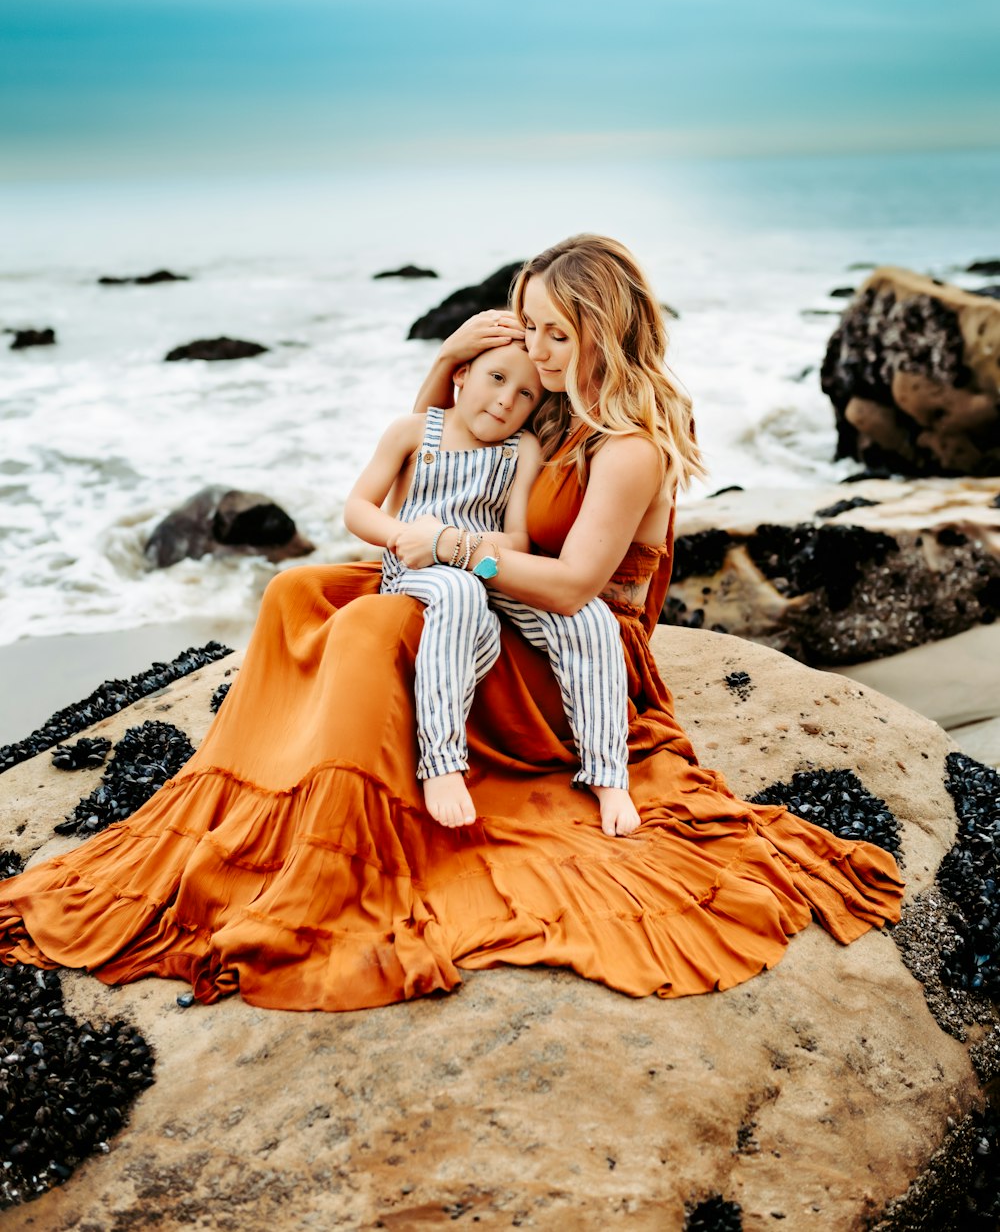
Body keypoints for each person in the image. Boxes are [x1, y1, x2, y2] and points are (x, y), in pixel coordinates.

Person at [0, 235, 904, 1013]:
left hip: (571, 640)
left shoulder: (629, 446)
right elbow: (448, 442)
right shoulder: (557, 406)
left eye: (557, 332)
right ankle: (262, 796)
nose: (539, 351)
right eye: (531, 328)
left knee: (368, 631)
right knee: (297, 594)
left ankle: (340, 844)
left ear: (603, 331)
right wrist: (444, 371)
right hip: (500, 595)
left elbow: (572, 586)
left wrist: (450, 550)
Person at [343, 343, 638, 833]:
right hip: (418, 569)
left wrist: (453, 545)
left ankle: (608, 774)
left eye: (525, 393)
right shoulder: (412, 431)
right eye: (496, 378)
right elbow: (357, 507)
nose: (506, 400)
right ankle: (441, 763)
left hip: (484, 566)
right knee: (460, 597)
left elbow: (518, 539)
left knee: (588, 618)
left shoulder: (521, 448)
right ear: (460, 374)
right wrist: (404, 537)